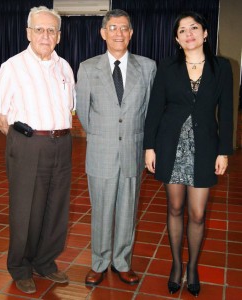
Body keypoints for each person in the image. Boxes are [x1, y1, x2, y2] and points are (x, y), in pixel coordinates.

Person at [144, 11, 233, 297]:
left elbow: (228, 113)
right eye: (182, 30)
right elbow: (155, 109)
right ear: (176, 39)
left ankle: (192, 266)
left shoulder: (223, 67)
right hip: (171, 146)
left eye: (194, 27)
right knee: (174, 208)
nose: (189, 33)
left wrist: (224, 151)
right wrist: (149, 146)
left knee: (196, 213)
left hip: (205, 148)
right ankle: (176, 266)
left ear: (205, 33)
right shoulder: (167, 67)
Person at [0, 6, 75, 294]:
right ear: (28, 33)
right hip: (28, 144)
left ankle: (45, 261)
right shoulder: (11, 66)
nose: (45, 35)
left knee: (56, 208)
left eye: (51, 30)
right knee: (26, 208)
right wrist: (25, 139)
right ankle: (20, 266)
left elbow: (69, 108)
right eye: (39, 29)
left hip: (62, 144)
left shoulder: (65, 67)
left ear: (59, 36)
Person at [76, 9, 156, 286]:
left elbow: (149, 112)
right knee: (100, 211)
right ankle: (99, 262)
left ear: (131, 33)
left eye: (124, 28)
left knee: (127, 211)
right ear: (103, 33)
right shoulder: (87, 68)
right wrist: (102, 136)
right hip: (100, 152)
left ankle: (122, 262)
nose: (118, 33)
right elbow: (83, 114)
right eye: (113, 28)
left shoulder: (147, 67)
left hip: (132, 152)